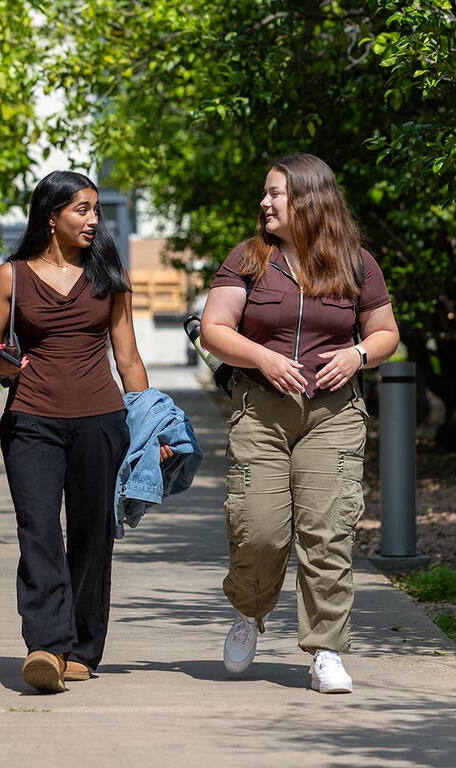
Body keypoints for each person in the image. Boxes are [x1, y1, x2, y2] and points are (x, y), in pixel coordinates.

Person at [200, 153, 399, 694]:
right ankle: (249, 612)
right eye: (265, 194)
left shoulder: (355, 263)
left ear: (309, 200)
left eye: (275, 194)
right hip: (261, 411)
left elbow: (385, 332)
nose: (264, 203)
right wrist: (261, 359)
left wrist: (357, 355)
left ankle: (326, 650)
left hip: (334, 416)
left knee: (328, 533)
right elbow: (214, 329)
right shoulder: (249, 259)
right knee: (259, 529)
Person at [0, 170, 171, 693]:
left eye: (95, 211)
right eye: (80, 210)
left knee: (91, 535)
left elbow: (127, 358)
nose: (92, 220)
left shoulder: (108, 274)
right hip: (31, 421)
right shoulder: (10, 277)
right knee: (37, 530)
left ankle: (83, 648)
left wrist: (151, 428)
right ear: (51, 215)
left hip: (100, 421)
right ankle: (46, 645)